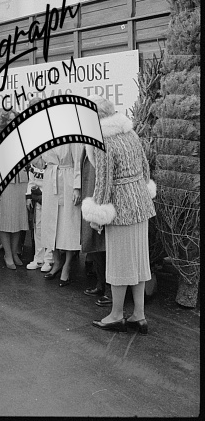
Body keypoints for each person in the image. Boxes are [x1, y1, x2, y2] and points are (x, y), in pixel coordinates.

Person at [81, 96, 156, 334]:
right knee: (139, 261)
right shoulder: (130, 133)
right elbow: (145, 168)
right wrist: (141, 191)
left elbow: (104, 181)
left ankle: (115, 315)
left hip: (120, 208)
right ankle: (139, 315)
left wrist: (97, 213)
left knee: (119, 264)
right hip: (141, 204)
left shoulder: (102, 140)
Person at [0, 109, 29, 270]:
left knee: (18, 221)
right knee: (6, 221)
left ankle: (14, 252)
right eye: (10, 120)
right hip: (5, 185)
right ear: (4, 122)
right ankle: (7, 254)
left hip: (21, 183)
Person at [41, 142, 82, 286]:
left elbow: (78, 161)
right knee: (51, 222)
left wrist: (77, 187)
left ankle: (67, 264)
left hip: (68, 179)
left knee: (69, 223)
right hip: (50, 178)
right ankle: (57, 261)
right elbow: (40, 161)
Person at [79, 145, 110, 306]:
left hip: (102, 198)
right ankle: (101, 283)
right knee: (95, 242)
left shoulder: (106, 141)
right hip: (90, 193)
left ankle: (110, 290)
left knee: (106, 244)